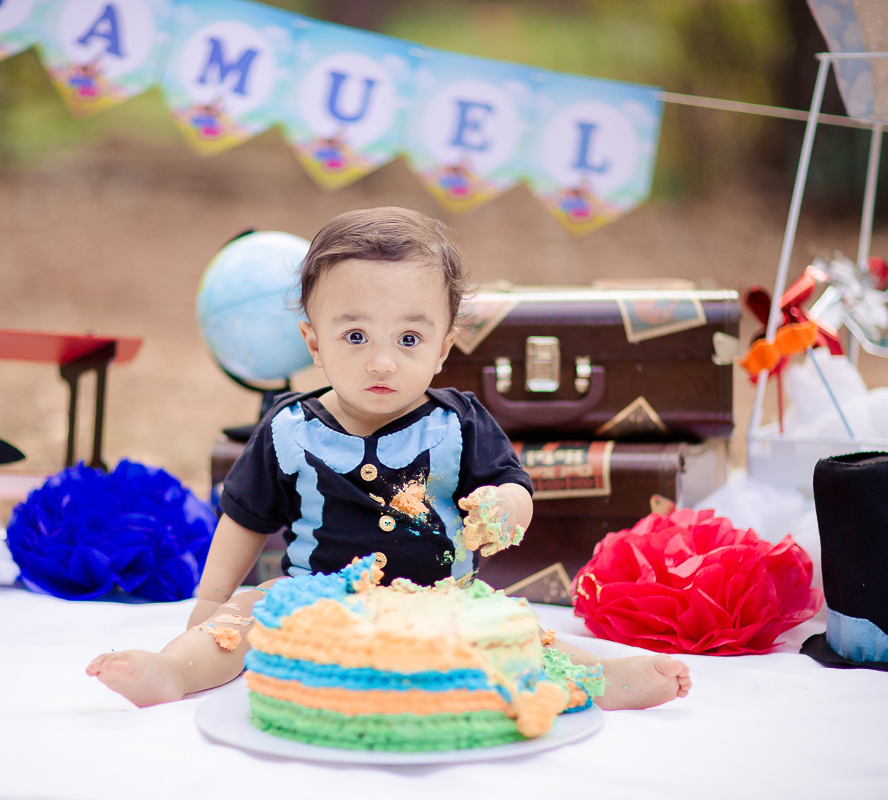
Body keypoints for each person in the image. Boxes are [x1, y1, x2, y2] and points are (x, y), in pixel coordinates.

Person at [88, 207, 692, 710]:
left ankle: (602, 680)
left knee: (517, 632)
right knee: (243, 617)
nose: (382, 362)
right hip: (314, 598)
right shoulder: (290, 428)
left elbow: (516, 487)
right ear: (314, 342)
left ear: (442, 347)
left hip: (438, 601)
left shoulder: (457, 422)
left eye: (408, 339)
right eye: (355, 337)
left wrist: (503, 507)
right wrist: (210, 603)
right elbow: (244, 519)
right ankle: (173, 674)